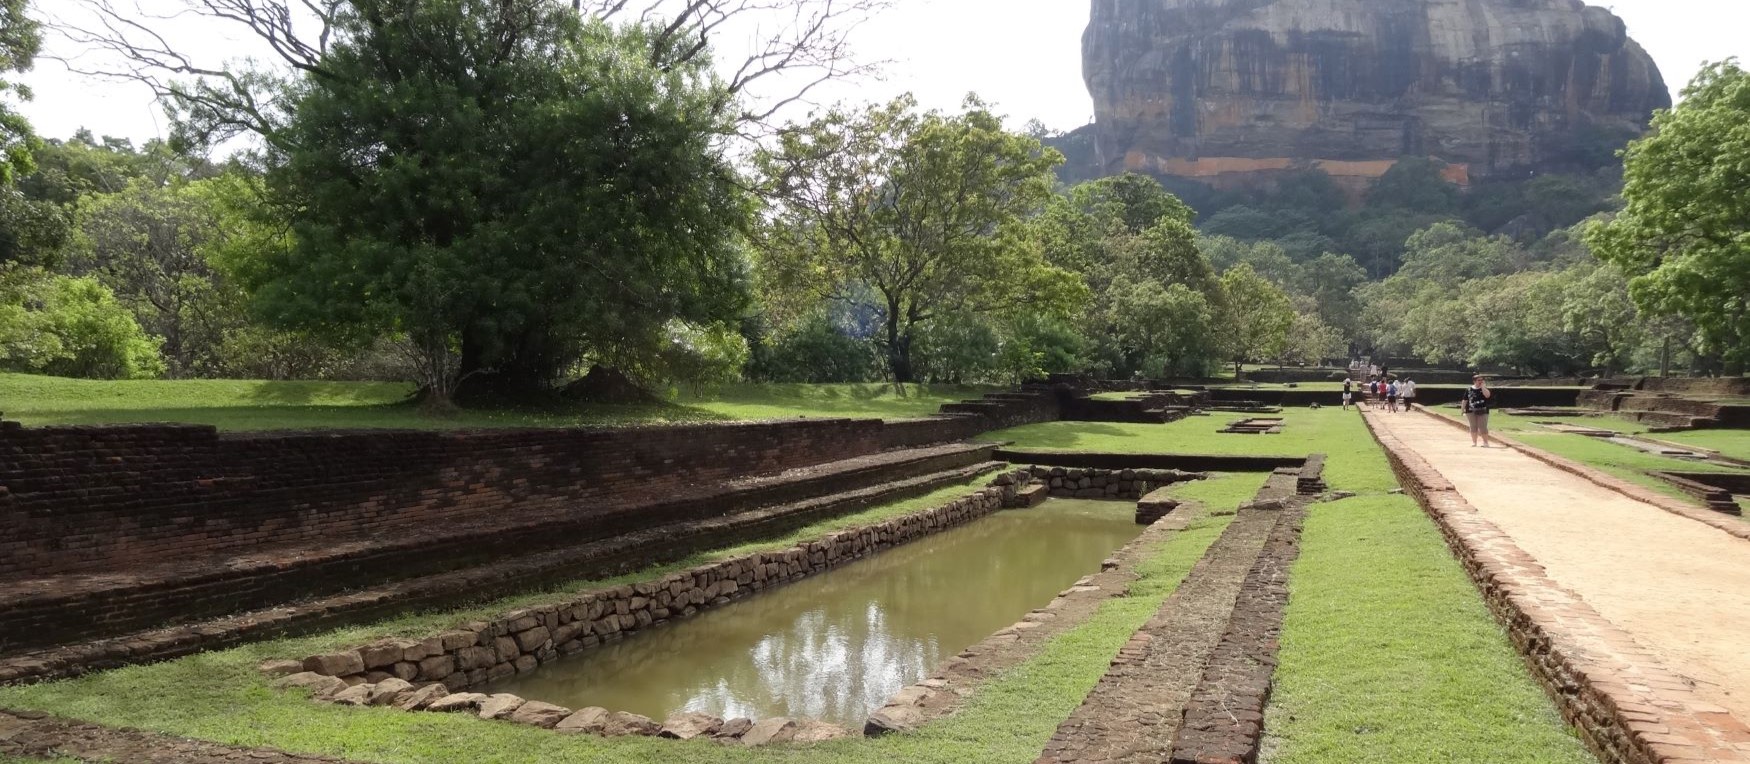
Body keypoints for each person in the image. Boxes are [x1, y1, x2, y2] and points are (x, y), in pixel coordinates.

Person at [1462, 375, 1493, 447]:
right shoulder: (1469, 389)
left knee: (1482, 426)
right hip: (1470, 410)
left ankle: (1485, 442)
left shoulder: (1484, 389)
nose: (1481, 381)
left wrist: (1483, 387)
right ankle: (1474, 442)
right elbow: (1465, 400)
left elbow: (1487, 395)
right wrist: (1462, 409)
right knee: (1473, 426)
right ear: (1474, 381)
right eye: (1479, 380)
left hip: (1482, 410)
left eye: (1482, 380)